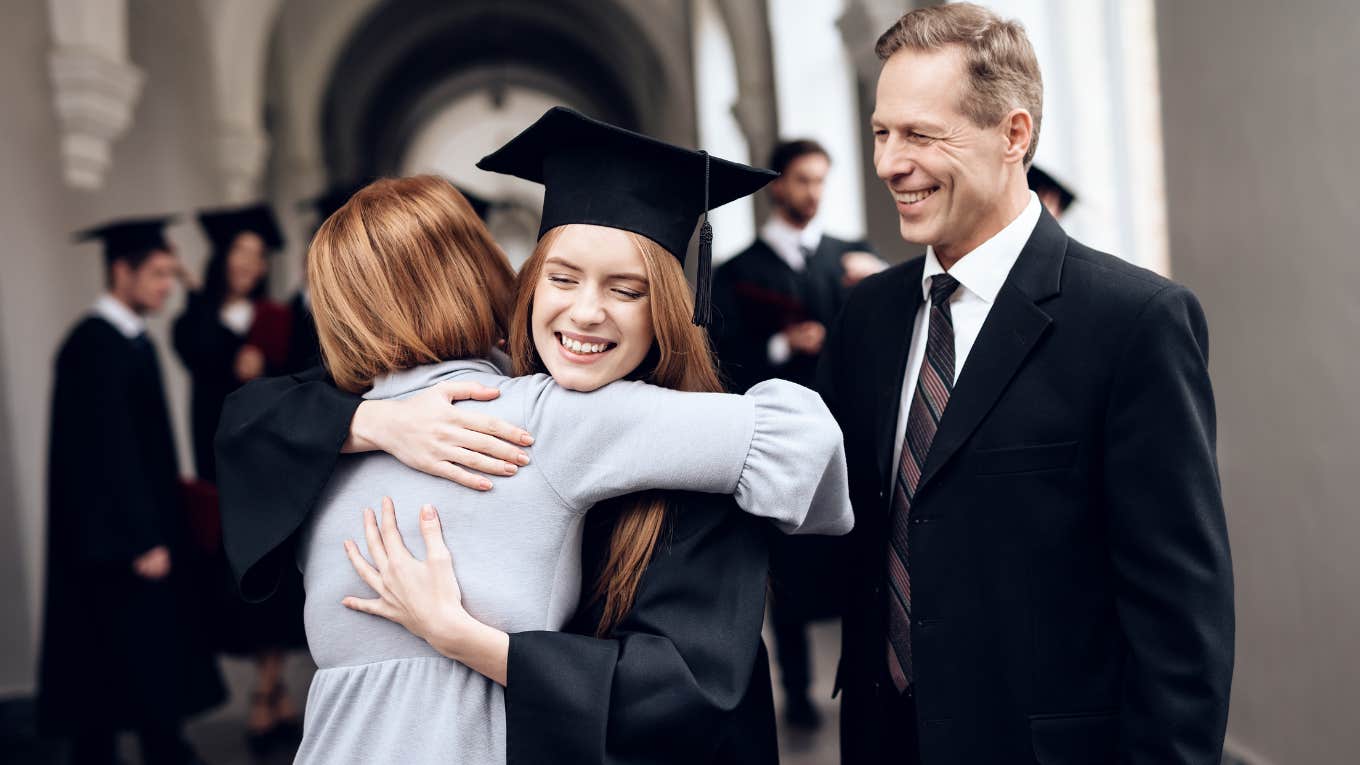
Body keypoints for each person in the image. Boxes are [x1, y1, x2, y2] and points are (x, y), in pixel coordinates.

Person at [216, 109, 853, 764]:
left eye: (626, 288)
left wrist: (471, 641)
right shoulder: (495, 415)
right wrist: (367, 422)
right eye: (562, 277)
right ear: (514, 281)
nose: (585, 311)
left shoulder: (323, 459)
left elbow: (686, 700)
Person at [820, 5, 1234, 764]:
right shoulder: (867, 320)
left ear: (1014, 135)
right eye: (883, 133)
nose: (888, 163)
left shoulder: (1134, 323)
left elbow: (1180, 624)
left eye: (920, 134)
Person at [38, 217, 224, 765]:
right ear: (122, 270)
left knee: (136, 657)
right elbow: (107, 455)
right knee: (116, 658)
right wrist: (143, 537)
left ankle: (158, 743)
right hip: (117, 541)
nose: (167, 285)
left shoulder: (129, 339)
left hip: (136, 531)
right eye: (159, 273)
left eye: (172, 274)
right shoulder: (93, 346)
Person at [711, 138, 881, 729]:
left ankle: (866, 674)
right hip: (783, 445)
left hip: (851, 436)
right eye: (803, 180)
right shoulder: (738, 272)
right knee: (787, 575)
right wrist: (783, 345)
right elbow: (723, 362)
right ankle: (801, 692)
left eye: (820, 181)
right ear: (778, 184)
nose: (812, 192)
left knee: (860, 560)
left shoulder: (852, 258)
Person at [170, 202, 304, 753]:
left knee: (273, 582)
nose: (249, 263)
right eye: (240, 253)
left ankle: (269, 689)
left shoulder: (276, 317)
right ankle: (264, 688)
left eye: (257, 254)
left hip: (269, 470)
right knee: (236, 584)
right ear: (223, 258)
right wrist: (195, 291)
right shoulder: (195, 319)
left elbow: (299, 374)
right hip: (221, 471)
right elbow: (196, 350)